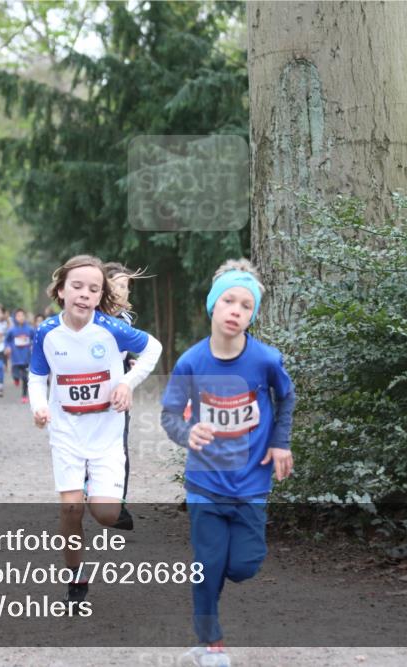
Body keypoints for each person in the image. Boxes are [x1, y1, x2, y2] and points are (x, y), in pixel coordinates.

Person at [160, 259, 296, 667]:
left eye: (246, 305)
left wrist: (280, 443)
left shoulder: (265, 360)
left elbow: (286, 397)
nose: (236, 310)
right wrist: (188, 433)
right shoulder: (190, 363)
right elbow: (170, 415)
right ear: (213, 305)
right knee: (207, 565)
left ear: (252, 315)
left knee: (243, 567)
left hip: (252, 482)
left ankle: (212, 618)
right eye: (229, 301)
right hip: (205, 482)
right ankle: (211, 644)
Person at [28, 255, 162, 611]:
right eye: (77, 286)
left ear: (101, 295)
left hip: (106, 434)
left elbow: (153, 348)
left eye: (93, 288)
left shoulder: (111, 328)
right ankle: (76, 579)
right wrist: (39, 407)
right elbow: (37, 377)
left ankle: (96, 491)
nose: (84, 294)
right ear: (61, 290)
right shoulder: (46, 332)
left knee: (105, 514)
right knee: (71, 508)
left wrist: (127, 383)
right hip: (66, 432)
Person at [101, 261, 152, 531]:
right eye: (118, 285)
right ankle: (87, 489)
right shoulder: (89, 317)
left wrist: (129, 362)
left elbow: (128, 350)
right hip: (89, 393)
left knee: (120, 447)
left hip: (118, 394)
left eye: (127, 287)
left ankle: (119, 505)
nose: (123, 291)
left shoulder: (127, 320)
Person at [5, 308, 34, 404]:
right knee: (16, 375)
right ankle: (16, 379)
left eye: (22, 315)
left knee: (25, 378)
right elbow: (7, 340)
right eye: (18, 316)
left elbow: (35, 339)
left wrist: (33, 345)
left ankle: (24, 395)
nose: (20, 317)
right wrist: (8, 347)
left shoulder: (30, 329)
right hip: (15, 358)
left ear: (25, 317)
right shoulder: (12, 330)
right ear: (15, 317)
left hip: (26, 358)